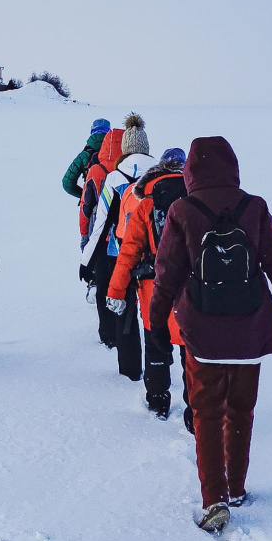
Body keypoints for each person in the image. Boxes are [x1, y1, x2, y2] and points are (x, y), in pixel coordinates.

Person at [148, 136, 272, 534]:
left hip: (202, 333)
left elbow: (165, 273)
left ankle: (214, 498)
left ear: (190, 173)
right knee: (241, 410)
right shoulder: (254, 207)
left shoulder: (182, 211)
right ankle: (235, 487)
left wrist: (156, 325)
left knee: (206, 414)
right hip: (250, 331)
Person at [106, 148, 188, 416]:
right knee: (191, 351)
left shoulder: (146, 205)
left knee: (155, 347)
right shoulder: (198, 202)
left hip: (154, 290)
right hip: (192, 291)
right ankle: (195, 408)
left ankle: (157, 402)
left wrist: (116, 290)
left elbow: (128, 251)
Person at [96, 114, 157, 381]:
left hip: (118, 251)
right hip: (153, 254)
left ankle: (130, 369)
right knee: (153, 311)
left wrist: (87, 260)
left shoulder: (113, 177)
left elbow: (100, 222)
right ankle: (157, 369)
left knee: (125, 310)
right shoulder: (160, 175)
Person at [79, 126, 125, 344]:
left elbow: (85, 207)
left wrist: (84, 236)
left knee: (103, 284)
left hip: (99, 238)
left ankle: (107, 334)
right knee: (124, 285)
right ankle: (124, 330)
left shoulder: (95, 171)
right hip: (125, 238)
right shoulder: (127, 170)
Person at [62, 118, 111, 197]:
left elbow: (67, 183)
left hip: (91, 199)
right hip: (113, 199)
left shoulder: (84, 155)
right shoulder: (115, 152)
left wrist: (84, 195)